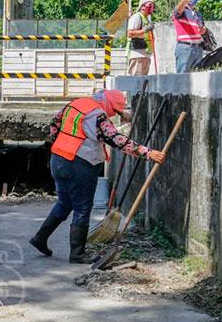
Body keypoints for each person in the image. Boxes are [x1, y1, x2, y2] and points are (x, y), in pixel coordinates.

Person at [29, 90, 166, 264]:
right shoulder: (98, 116)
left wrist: (60, 144)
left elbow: (54, 123)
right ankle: (77, 254)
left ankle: (40, 238)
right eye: (114, 111)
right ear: (108, 104)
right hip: (79, 164)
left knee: (64, 203)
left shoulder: (76, 104)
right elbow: (116, 139)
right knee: (82, 208)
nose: (113, 114)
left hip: (58, 159)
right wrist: (147, 152)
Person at [173, 0, 206, 73]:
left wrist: (203, 30)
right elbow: (177, 12)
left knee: (197, 76)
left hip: (198, 48)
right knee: (182, 77)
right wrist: (184, 1)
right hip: (185, 48)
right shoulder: (182, 11)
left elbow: (201, 30)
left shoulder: (197, 14)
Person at [127, 0, 155, 75]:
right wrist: (144, 30)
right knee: (136, 82)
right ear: (142, 6)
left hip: (145, 54)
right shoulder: (137, 17)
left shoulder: (147, 19)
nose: (151, 7)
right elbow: (130, 34)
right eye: (149, 5)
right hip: (137, 55)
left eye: (152, 5)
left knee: (143, 82)